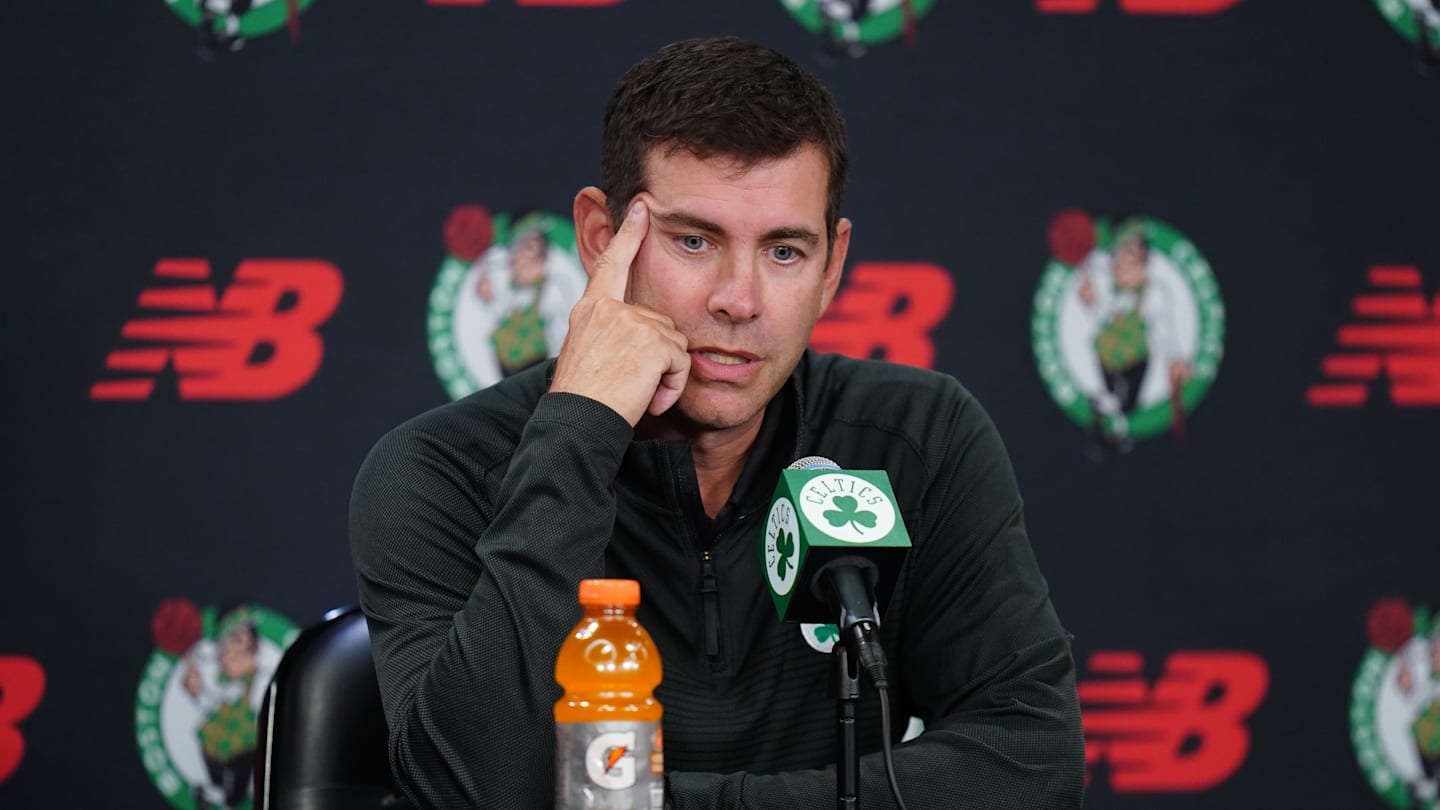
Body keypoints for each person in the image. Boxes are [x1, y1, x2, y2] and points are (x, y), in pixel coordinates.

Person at [350, 36, 1084, 809]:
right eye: (694, 241)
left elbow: (1029, 760)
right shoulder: (440, 470)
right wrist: (581, 426)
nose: (739, 299)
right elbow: (470, 792)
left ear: (833, 265)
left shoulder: (918, 438)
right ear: (604, 240)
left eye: (785, 251)